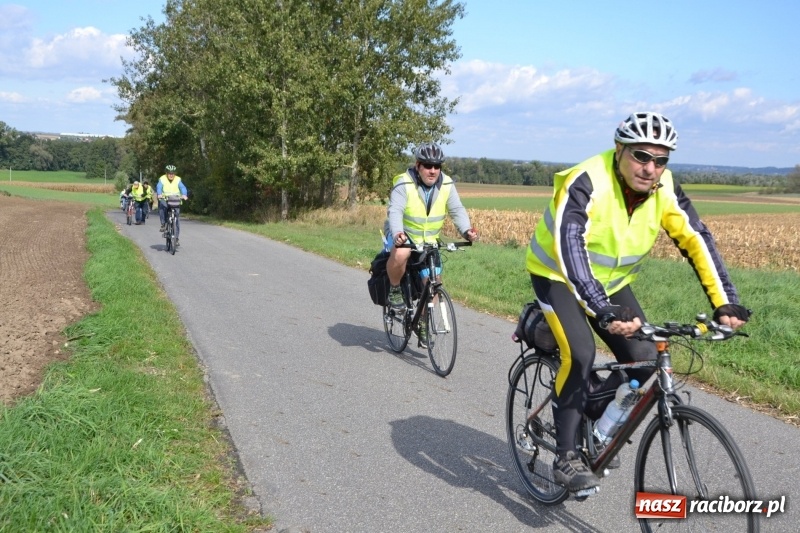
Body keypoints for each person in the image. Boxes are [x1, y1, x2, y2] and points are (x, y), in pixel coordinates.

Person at [526, 111, 750, 492]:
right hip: (558, 277)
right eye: (641, 156)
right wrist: (601, 308)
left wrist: (725, 302)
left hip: (613, 283)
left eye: (661, 160)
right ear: (619, 150)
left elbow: (696, 239)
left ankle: (585, 406)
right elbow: (570, 245)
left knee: (646, 359)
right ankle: (565, 456)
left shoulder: (665, 189)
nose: (651, 168)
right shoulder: (587, 180)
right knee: (580, 353)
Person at [384, 142, 479, 347]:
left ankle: (424, 323)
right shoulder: (404, 183)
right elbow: (395, 211)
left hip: (428, 240)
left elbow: (456, 209)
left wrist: (466, 230)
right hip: (403, 235)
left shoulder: (446, 184)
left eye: (437, 166)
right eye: (428, 166)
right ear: (418, 165)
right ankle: (394, 289)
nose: (433, 170)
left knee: (434, 283)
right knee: (400, 255)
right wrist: (398, 233)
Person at [157, 165, 188, 244]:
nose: (171, 175)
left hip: (175, 201)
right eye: (169, 173)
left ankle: (176, 238)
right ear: (166, 173)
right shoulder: (162, 179)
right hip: (165, 199)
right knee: (162, 208)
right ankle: (163, 224)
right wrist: (159, 194)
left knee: (176, 220)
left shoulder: (178, 179)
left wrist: (184, 194)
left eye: (173, 173)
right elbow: (159, 187)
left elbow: (183, 188)